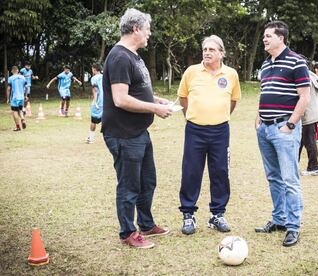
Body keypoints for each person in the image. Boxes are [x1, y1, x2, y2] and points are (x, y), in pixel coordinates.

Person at [102, 8, 172, 249]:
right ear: (135, 29)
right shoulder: (120, 56)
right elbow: (120, 99)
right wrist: (153, 108)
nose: (149, 34)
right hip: (123, 134)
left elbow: (138, 89)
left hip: (139, 132)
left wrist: (157, 99)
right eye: (147, 29)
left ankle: (146, 223)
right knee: (129, 185)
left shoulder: (134, 55)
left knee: (147, 181)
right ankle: (127, 233)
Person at [178, 35, 241, 235]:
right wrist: (194, 116)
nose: (207, 53)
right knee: (191, 172)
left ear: (221, 53)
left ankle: (217, 215)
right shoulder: (191, 72)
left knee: (220, 172)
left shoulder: (231, 74)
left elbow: (233, 101)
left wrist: (217, 116)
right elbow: (183, 98)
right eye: (205, 49)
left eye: (212, 50)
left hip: (220, 131)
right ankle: (188, 215)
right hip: (194, 129)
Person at [254, 21, 310, 247]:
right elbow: (265, 92)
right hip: (265, 129)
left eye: (268, 36)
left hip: (284, 129)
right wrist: (258, 118)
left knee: (289, 179)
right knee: (273, 177)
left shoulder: (297, 61)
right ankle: (279, 219)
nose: (264, 39)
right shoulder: (266, 64)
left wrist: (290, 124)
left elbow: (304, 97)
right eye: (264, 36)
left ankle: (293, 226)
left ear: (281, 38)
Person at [299, 63, 318, 176]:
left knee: (309, 142)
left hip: (308, 114)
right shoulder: (311, 75)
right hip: (314, 113)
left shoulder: (304, 77)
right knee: (300, 141)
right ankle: (293, 165)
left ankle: (314, 167)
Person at [86, 63, 103, 144]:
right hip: (107, 102)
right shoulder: (105, 77)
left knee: (94, 120)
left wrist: (95, 102)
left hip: (99, 102)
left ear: (94, 69)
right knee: (106, 120)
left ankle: (91, 139)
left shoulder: (94, 78)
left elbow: (95, 91)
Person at [7, 66, 27, 131]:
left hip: (14, 97)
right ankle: (23, 119)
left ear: (12, 71)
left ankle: (18, 127)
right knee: (20, 110)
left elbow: (9, 89)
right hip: (21, 97)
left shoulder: (10, 78)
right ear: (18, 70)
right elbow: (26, 87)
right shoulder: (23, 77)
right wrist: (25, 95)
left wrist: (7, 98)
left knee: (14, 111)